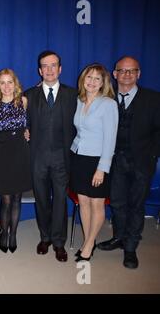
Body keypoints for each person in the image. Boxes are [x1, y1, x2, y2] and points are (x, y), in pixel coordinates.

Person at [97, 56, 160, 269]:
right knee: (117, 203)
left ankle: (131, 247)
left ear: (138, 74)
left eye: (132, 71)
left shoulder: (153, 99)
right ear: (114, 74)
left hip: (141, 163)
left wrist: (151, 154)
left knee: (136, 205)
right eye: (122, 71)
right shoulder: (106, 98)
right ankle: (119, 237)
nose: (127, 75)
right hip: (114, 163)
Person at [25, 51, 77, 262]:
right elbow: (21, 122)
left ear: (60, 69)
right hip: (37, 157)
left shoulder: (74, 95)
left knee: (60, 202)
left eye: (53, 65)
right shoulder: (28, 95)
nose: (49, 70)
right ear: (39, 70)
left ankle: (59, 242)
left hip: (62, 158)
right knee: (42, 200)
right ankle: (44, 237)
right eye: (44, 66)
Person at [69, 64, 118, 262]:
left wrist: (102, 169)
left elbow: (110, 139)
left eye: (97, 79)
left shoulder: (108, 104)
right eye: (89, 77)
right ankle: (88, 240)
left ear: (103, 83)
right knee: (84, 202)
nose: (92, 82)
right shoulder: (80, 101)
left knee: (97, 204)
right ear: (83, 79)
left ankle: (89, 245)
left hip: (97, 160)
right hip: (79, 157)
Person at [0, 69, 31, 253]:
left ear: (16, 84)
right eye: (2, 83)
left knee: (17, 198)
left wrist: (28, 132)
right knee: (5, 199)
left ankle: (13, 234)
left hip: (21, 151)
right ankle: (3, 233)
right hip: (3, 153)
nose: (6, 86)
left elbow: (27, 124)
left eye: (9, 82)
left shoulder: (23, 101)